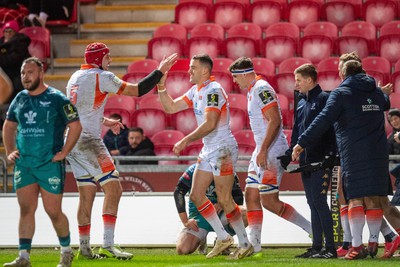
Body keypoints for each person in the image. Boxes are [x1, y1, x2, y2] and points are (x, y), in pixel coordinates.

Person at [66, 42, 177, 260]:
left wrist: (105, 121)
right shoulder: (101, 75)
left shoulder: (74, 77)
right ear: (99, 59)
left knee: (86, 193)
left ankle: (85, 248)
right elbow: (137, 90)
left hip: (71, 140)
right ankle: (108, 244)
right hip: (88, 141)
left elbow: (79, 109)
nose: (111, 61)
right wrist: (160, 71)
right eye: (108, 57)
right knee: (114, 188)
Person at [292, 59, 390, 260]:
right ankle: (373, 240)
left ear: (344, 75)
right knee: (373, 198)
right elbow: (385, 103)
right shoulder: (377, 92)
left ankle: (355, 246)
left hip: (354, 152)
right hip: (378, 152)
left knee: (354, 198)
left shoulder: (341, 93)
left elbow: (324, 119)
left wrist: (302, 142)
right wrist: (381, 93)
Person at [157, 54, 253, 260]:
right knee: (195, 195)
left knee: (225, 199)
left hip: (223, 149)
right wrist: (161, 85)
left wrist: (185, 140)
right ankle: (223, 237)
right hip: (209, 149)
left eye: (193, 68)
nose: (189, 71)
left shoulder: (214, 91)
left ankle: (245, 243)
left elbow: (210, 123)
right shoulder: (196, 90)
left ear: (205, 71)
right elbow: (170, 107)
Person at [2, 57, 82, 267]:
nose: (25, 77)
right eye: (22, 73)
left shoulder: (57, 98)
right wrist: (10, 151)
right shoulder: (19, 99)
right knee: (26, 209)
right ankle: (23, 257)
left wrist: (64, 152)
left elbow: (75, 125)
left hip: (49, 163)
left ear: (41, 73)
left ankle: (66, 251)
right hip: (25, 164)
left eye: (30, 72)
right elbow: (9, 127)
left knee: (53, 211)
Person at [228, 57, 312, 257]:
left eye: (235, 77)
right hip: (262, 148)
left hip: (271, 150)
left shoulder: (261, 89)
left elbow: (275, 120)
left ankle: (313, 230)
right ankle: (254, 244)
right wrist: (261, 149)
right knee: (251, 196)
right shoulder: (253, 90)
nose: (234, 82)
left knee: (270, 201)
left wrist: (264, 149)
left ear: (245, 74)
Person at [282, 64, 337, 258]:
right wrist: (289, 154)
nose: (295, 84)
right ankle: (316, 246)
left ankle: (330, 248)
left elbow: (329, 130)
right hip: (305, 160)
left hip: (322, 160)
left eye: (298, 80)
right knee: (312, 202)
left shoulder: (325, 99)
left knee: (320, 202)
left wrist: (330, 155)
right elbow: (297, 132)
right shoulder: (300, 103)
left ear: (309, 80)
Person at [174, 163, 247, 255]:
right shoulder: (192, 170)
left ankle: (223, 239)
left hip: (221, 215)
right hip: (199, 218)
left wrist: (224, 203)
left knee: (245, 213)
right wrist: (185, 220)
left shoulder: (227, 172)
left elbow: (239, 198)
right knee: (183, 249)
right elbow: (178, 192)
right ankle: (202, 240)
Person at [0, 20, 30, 104]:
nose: (8, 33)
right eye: (6, 31)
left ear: (15, 32)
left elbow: (13, 60)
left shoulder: (20, 43)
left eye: (10, 31)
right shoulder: (1, 43)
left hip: (17, 72)